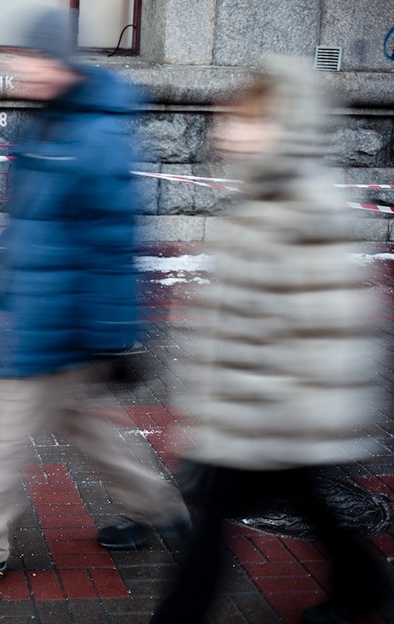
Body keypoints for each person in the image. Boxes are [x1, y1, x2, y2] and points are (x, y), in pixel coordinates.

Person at [0, 9, 190, 592]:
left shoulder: (96, 138)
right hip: (37, 311)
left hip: (63, 322)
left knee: (2, 436)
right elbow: (25, 216)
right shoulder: (42, 127)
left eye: (26, 58)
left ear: (58, 63)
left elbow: (116, 245)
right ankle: (159, 507)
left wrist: (119, 334)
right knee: (87, 425)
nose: (13, 68)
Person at [150, 58, 393, 624]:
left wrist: (241, 418)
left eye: (248, 120)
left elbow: (319, 331)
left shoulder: (300, 208)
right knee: (311, 504)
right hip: (267, 413)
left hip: (270, 414)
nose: (227, 129)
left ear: (286, 127)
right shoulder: (263, 199)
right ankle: (365, 585)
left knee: (209, 530)